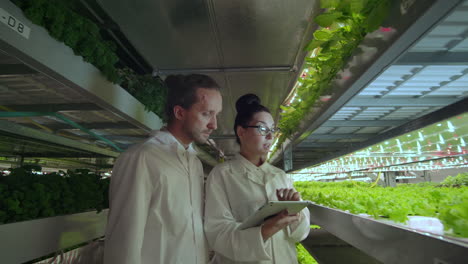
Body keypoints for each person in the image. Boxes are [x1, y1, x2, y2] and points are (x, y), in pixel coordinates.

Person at [104, 74, 223, 264]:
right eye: (206, 114)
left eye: (216, 115)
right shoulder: (142, 158)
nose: (214, 124)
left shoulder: (194, 163)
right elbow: (123, 239)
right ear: (179, 113)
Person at [204, 94, 310, 264]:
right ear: (241, 132)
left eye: (272, 129)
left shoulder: (280, 176)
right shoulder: (222, 174)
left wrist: (296, 212)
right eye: (262, 129)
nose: (270, 136)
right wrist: (266, 230)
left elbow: (301, 233)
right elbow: (217, 233)